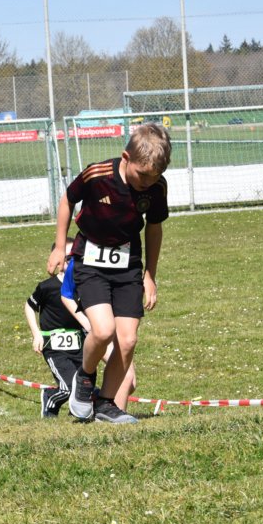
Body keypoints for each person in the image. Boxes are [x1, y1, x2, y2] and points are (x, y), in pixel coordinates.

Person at [46, 122, 171, 424]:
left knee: (127, 341)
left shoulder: (157, 187)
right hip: (90, 262)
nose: (147, 182)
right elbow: (67, 199)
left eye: (154, 177)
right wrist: (60, 246)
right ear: (126, 158)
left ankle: (105, 404)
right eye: (142, 175)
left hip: (128, 266)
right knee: (102, 331)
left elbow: (154, 228)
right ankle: (84, 378)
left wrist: (150, 275)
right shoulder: (97, 175)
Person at [60, 255, 138, 412]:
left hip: (117, 329)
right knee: (127, 376)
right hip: (98, 330)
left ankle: (100, 406)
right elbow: (66, 295)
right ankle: (110, 415)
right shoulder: (80, 261)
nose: (65, 263)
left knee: (131, 382)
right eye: (66, 257)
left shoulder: (121, 258)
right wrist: (84, 321)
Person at [24, 238, 84, 418]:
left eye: (75, 258)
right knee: (67, 387)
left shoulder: (84, 286)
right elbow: (29, 306)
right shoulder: (47, 287)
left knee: (83, 385)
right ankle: (50, 397)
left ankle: (77, 413)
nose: (71, 262)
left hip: (80, 346)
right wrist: (36, 334)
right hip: (54, 347)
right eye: (67, 258)